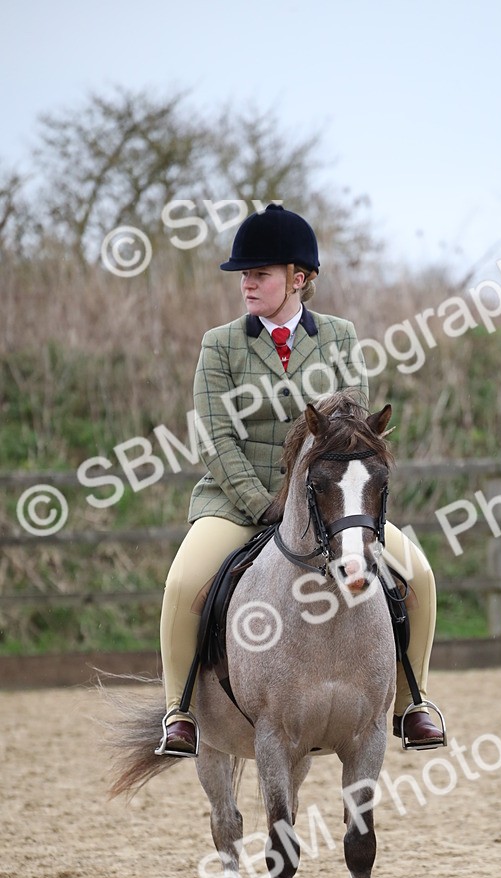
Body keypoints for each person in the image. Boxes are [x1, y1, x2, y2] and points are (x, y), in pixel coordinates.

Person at [156, 203, 446, 757]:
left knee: (420, 577)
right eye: (245, 274)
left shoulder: (339, 337)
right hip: (238, 502)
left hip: (329, 501)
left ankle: (414, 702)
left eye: (260, 273)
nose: (248, 284)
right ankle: (180, 711)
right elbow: (215, 438)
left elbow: (353, 428)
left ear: (300, 279)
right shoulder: (220, 345)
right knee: (181, 586)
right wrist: (261, 502)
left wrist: (321, 496)